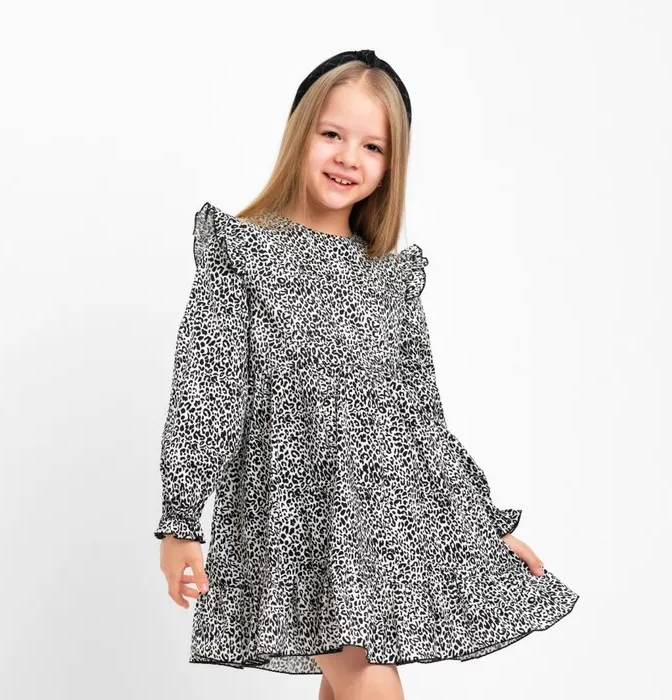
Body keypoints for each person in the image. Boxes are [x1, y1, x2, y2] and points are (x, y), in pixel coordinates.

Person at [154, 49, 580, 699]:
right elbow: (207, 389)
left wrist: (486, 523)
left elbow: (421, 419)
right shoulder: (242, 252)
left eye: (372, 146)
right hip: (292, 524)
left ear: (391, 164)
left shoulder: (390, 278)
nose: (349, 157)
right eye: (332, 134)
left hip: (376, 528)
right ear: (300, 132)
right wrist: (181, 519)